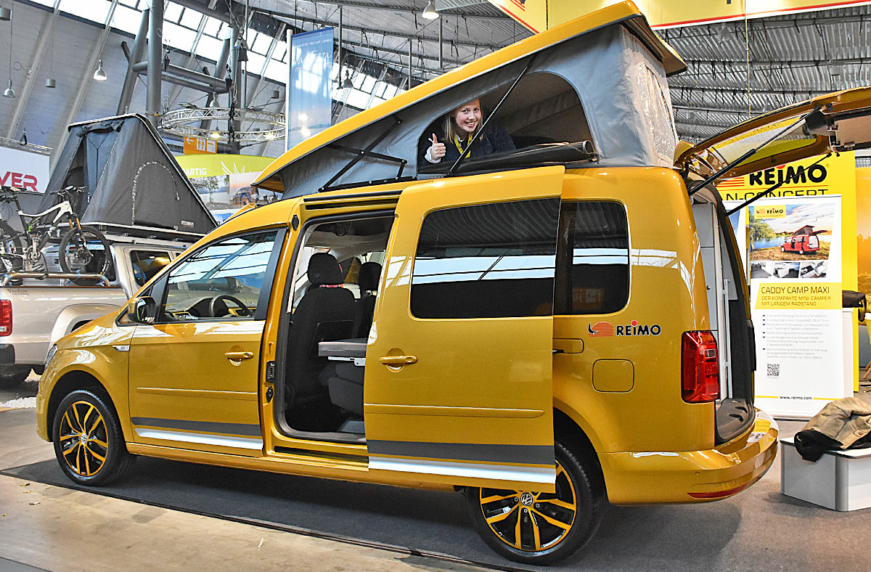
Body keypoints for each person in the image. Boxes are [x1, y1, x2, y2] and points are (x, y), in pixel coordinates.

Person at [419, 98, 515, 168]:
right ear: (452, 112)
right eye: (465, 111)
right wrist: (432, 157)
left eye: (476, 110)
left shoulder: (489, 125)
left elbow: (509, 154)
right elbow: (420, 172)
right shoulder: (436, 134)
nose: (472, 117)